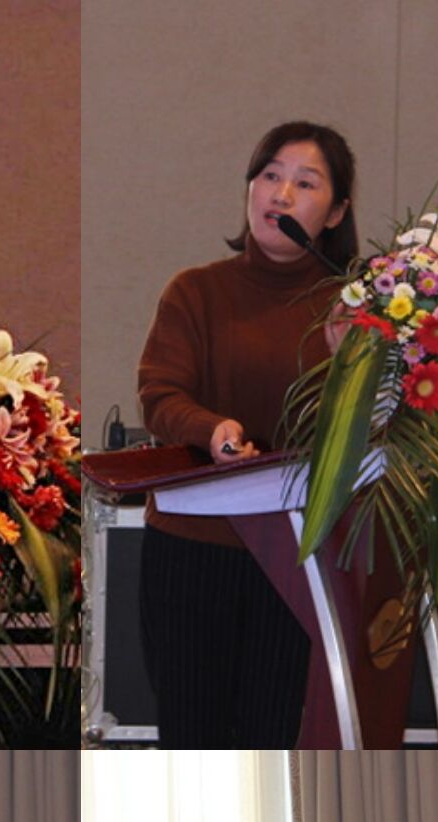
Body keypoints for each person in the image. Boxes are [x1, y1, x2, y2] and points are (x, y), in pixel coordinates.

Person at [136, 121, 357, 749]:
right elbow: (160, 395)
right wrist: (213, 430)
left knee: (272, 737)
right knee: (192, 739)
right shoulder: (197, 290)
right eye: (269, 175)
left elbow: (372, 433)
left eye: (305, 183)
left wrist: (351, 364)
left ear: (336, 212)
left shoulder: (356, 308)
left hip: (298, 551)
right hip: (193, 546)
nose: (281, 194)